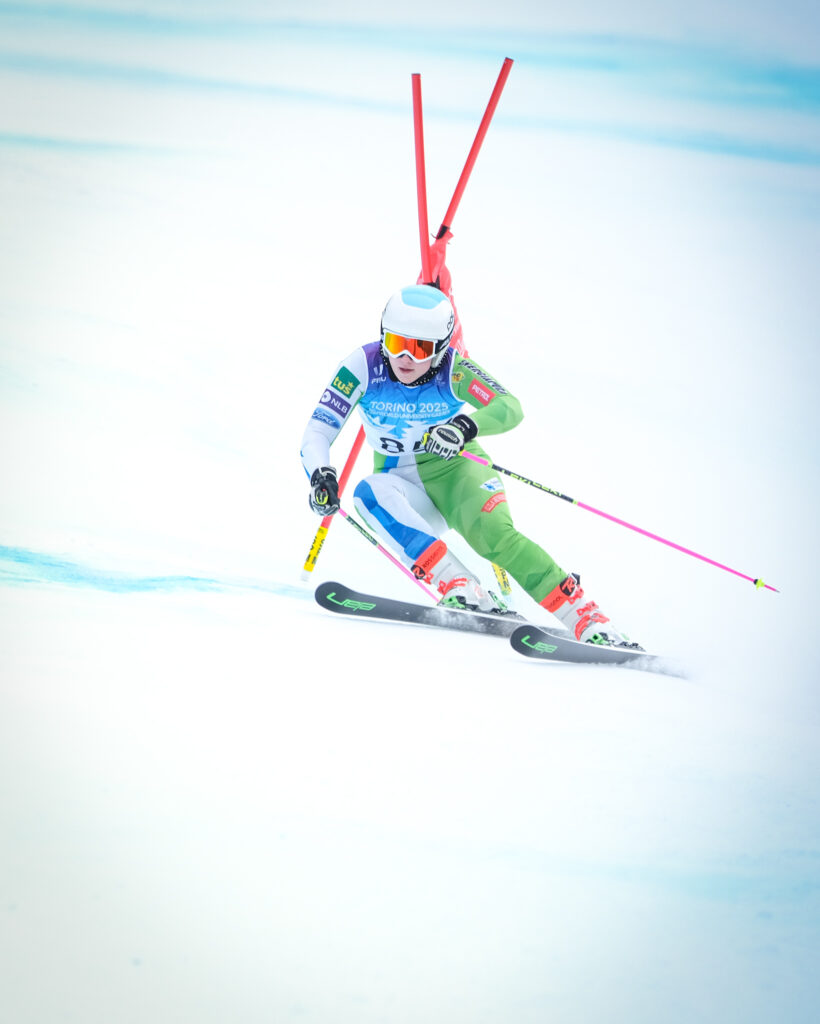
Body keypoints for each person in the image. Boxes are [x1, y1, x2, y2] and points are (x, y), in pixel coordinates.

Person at [301, 284, 640, 648]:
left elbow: (509, 407)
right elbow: (319, 430)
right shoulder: (361, 368)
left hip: (458, 476)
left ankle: (586, 617)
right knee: (368, 494)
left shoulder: (454, 371)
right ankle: (460, 586)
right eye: (397, 343)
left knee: (493, 539)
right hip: (404, 487)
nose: (406, 358)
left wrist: (465, 426)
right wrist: (322, 475)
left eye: (420, 349)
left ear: (442, 347)